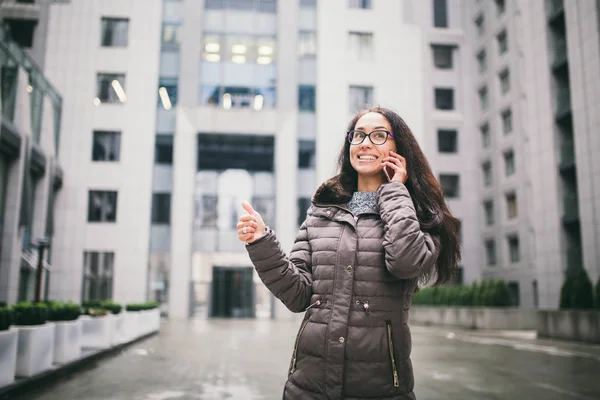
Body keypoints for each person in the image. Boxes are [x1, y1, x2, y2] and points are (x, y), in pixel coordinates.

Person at [237, 106, 461, 400]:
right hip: (309, 387)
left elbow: (405, 263)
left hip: (379, 390)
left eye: (379, 135)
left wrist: (394, 190)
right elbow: (298, 296)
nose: (366, 142)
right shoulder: (322, 211)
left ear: (398, 148)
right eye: (358, 135)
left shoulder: (418, 215)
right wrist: (262, 242)